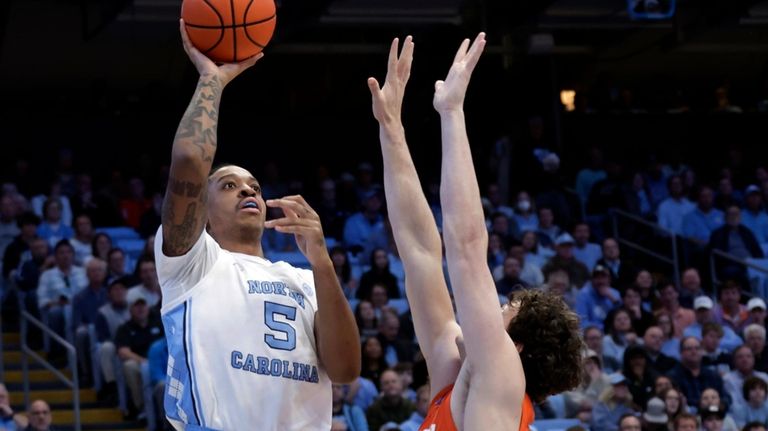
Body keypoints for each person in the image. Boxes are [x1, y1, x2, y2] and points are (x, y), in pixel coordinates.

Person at [367, 33, 583, 431]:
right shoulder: (457, 380)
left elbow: (466, 249)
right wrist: (391, 128)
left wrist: (452, 113)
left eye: (504, 311)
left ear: (515, 346)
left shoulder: (502, 375)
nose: (489, 308)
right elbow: (419, 253)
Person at [153, 21, 360, 430]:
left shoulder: (302, 280)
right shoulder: (194, 264)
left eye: (254, 186)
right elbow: (192, 162)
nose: (247, 191)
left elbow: (346, 370)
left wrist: (322, 264)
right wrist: (212, 82)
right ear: (203, 210)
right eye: (228, 185)